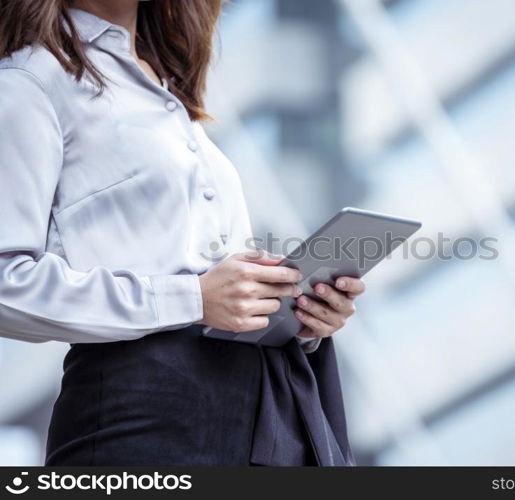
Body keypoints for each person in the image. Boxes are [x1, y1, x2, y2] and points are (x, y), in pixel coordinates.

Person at [0, 0, 365, 466]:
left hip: (258, 414)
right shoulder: (29, 81)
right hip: (143, 413)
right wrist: (192, 298)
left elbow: (216, 287)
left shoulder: (168, 91)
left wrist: (299, 310)